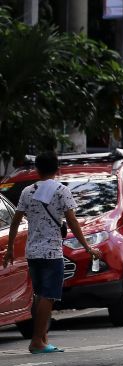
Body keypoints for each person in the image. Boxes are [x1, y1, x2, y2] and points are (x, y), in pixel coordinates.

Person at [2, 151, 104, 353]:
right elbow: (72, 221)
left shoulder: (27, 191)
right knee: (48, 296)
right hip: (52, 253)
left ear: (37, 170)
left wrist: (11, 249)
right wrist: (87, 247)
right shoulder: (61, 190)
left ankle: (43, 338)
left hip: (32, 252)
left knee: (40, 295)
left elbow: (15, 221)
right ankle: (37, 342)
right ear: (57, 169)